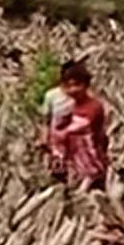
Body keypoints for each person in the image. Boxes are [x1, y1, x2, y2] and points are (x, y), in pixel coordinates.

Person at [39, 59, 109, 191]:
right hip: (68, 155)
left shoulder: (93, 106)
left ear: (86, 84)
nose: (73, 90)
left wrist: (58, 135)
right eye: (68, 86)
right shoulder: (67, 103)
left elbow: (79, 128)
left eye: (77, 85)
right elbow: (46, 120)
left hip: (90, 159)